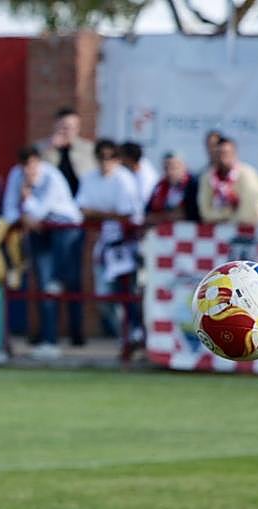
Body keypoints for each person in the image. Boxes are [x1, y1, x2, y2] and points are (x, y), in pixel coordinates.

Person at [3, 145, 84, 357]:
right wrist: (24, 217)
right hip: (39, 232)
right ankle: (49, 340)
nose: (29, 170)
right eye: (25, 166)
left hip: (65, 229)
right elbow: (9, 210)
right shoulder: (16, 174)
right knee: (45, 284)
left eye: (32, 165)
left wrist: (27, 200)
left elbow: (40, 211)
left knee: (67, 282)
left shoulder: (52, 177)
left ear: (39, 162)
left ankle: (77, 335)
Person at [77, 138, 143, 350]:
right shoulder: (89, 178)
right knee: (103, 295)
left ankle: (134, 335)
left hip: (126, 245)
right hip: (105, 244)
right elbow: (82, 209)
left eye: (111, 157)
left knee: (129, 292)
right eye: (101, 157)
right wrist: (108, 215)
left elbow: (125, 214)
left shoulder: (124, 179)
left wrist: (100, 215)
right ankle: (124, 335)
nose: (106, 162)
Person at [197, 136, 258, 225]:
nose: (222, 157)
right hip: (222, 228)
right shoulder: (207, 177)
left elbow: (247, 211)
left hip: (254, 229)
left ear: (234, 154)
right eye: (219, 153)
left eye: (226, 153)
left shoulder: (248, 174)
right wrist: (225, 215)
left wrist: (227, 221)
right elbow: (205, 212)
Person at [36, 106, 96, 196]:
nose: (67, 132)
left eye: (72, 127)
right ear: (55, 126)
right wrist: (50, 149)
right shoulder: (42, 148)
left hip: (80, 198)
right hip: (51, 199)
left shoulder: (88, 149)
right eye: (64, 127)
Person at [145, 152, 199, 224]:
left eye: (174, 168)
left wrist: (160, 216)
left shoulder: (193, 185)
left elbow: (189, 214)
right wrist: (169, 215)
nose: (170, 172)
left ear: (184, 167)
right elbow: (147, 215)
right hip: (164, 233)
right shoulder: (160, 186)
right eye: (166, 168)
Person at [119, 141, 158, 209]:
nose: (118, 160)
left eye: (121, 156)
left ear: (129, 159)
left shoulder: (147, 177)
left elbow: (143, 202)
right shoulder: (130, 168)